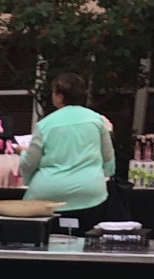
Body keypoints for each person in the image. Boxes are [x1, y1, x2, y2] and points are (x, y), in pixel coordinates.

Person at [19, 72, 116, 227]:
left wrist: (23, 159)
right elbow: (108, 157)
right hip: (90, 192)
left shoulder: (45, 124)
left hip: (49, 193)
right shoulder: (97, 120)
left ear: (59, 96)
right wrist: (97, 175)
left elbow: (30, 163)